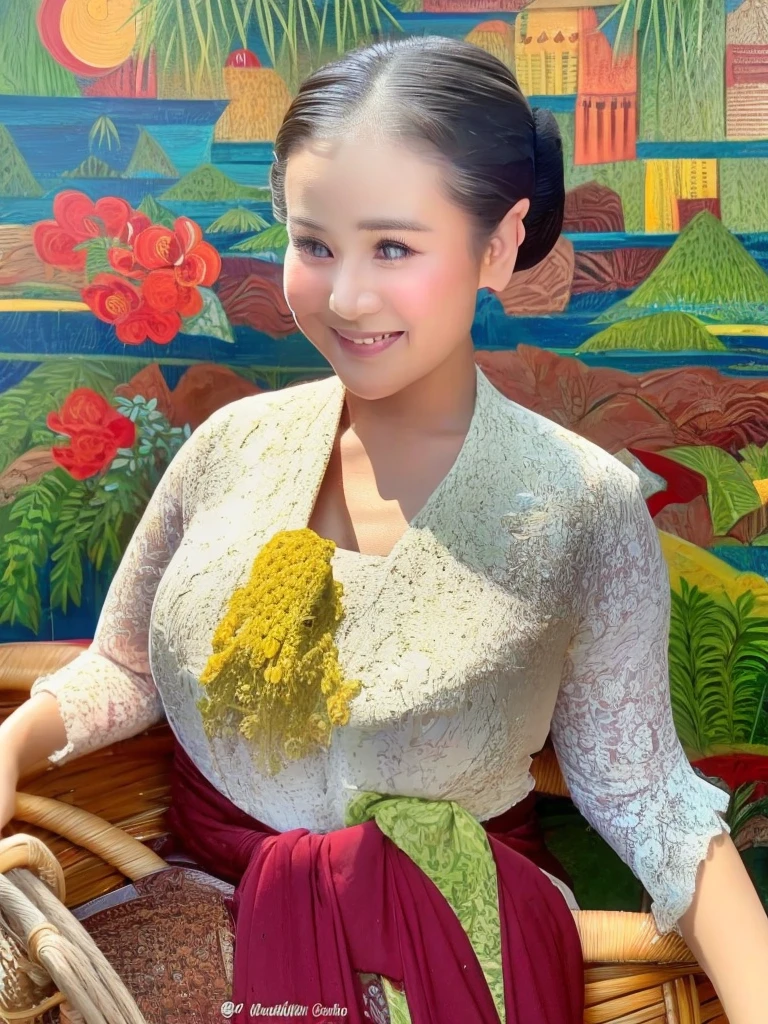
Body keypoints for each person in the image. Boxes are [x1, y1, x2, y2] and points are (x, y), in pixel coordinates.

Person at [1, 35, 767, 1024]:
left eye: (394, 248)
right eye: (315, 244)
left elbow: (643, 790)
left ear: (497, 245)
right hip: (186, 919)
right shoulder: (232, 446)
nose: (348, 295)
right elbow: (130, 667)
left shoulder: (578, 504)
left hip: (447, 949)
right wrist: (15, 745)